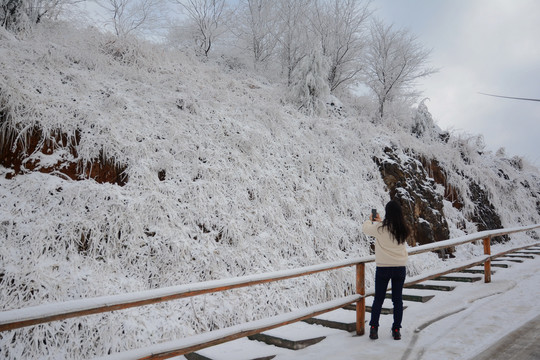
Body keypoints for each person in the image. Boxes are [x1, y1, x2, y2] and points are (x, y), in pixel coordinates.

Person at [362, 200, 410, 340]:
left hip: (383, 268)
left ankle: (373, 329)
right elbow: (391, 231)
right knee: (397, 300)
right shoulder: (404, 228)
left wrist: (371, 220)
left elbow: (365, 229)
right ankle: (396, 330)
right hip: (400, 268)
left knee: (378, 299)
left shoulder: (380, 228)